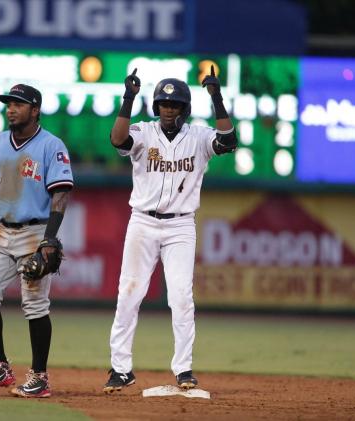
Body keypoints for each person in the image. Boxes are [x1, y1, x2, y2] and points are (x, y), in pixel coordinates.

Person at [103, 67, 237, 393]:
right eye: (163, 104)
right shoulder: (144, 131)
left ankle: (184, 369)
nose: (167, 109)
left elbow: (229, 141)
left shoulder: (200, 137)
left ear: (184, 108)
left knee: (181, 297)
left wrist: (217, 97)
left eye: (174, 104)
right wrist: (128, 97)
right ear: (155, 107)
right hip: (143, 222)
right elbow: (118, 139)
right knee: (129, 294)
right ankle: (120, 369)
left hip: (180, 224)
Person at [0, 83, 74, 398]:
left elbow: (61, 194)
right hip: (2, 232)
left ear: (35, 109)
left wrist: (50, 239)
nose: (11, 108)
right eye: (9, 103)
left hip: (35, 232)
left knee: (35, 304)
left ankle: (39, 376)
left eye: (18, 104)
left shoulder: (51, 146)